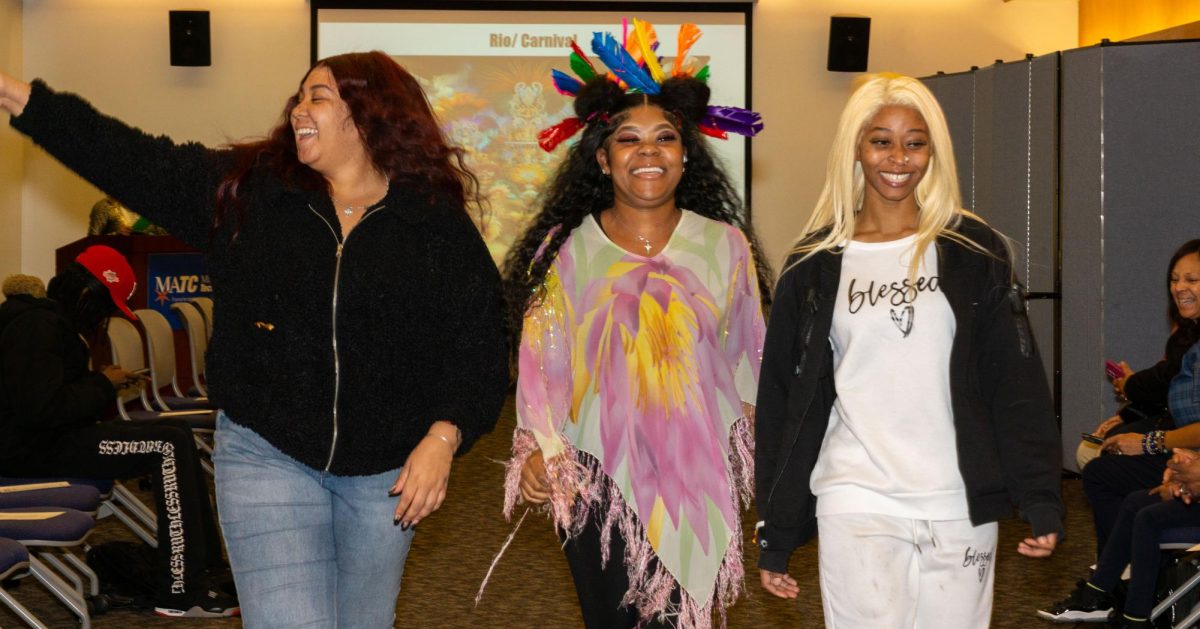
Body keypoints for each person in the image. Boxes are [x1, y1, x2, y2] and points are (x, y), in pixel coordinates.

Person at [0, 51, 509, 627]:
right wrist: (21, 97)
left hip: (384, 473)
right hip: (266, 454)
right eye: (299, 96)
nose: (299, 109)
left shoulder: (431, 220)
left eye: (320, 96)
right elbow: (126, 156)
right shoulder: (249, 194)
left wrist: (443, 438)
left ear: (370, 115)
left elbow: (480, 344)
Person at [754, 73, 1063, 628]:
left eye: (915, 141)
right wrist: (776, 532)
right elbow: (783, 401)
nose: (899, 157)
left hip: (958, 500)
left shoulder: (974, 250)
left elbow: (1015, 382)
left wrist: (1040, 495)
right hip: (857, 497)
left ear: (933, 151)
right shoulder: (814, 264)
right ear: (856, 147)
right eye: (881, 140)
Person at [500, 19, 770, 628]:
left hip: (700, 478)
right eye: (628, 139)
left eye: (665, 138)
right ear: (602, 158)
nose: (648, 151)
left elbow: (749, 358)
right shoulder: (565, 249)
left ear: (684, 155)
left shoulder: (726, 246)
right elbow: (542, 367)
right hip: (597, 480)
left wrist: (756, 460)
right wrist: (542, 453)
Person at [0, 245, 236, 617]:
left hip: (47, 439)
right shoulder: (37, 326)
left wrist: (98, 381)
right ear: (86, 294)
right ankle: (181, 590)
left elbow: (48, 398)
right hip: (31, 450)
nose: (105, 318)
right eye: (105, 307)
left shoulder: (50, 323)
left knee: (174, 432)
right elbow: (41, 409)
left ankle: (207, 566)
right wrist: (104, 385)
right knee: (166, 445)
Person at [1039, 341, 1200, 628]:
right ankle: (1107, 594)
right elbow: (1165, 389)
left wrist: (1184, 471)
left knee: (1145, 513)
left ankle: (1130, 611)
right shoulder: (1188, 339)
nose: (1180, 292)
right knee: (1133, 499)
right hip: (1187, 452)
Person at [1079, 240, 1200, 554]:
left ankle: (1116, 576)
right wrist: (1127, 415)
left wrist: (1150, 441)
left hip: (1186, 444)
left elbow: (1165, 387)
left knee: (1103, 469)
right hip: (1182, 440)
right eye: (1175, 280)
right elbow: (1171, 390)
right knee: (1108, 451)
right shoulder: (1187, 334)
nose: (1180, 288)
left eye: (1191, 280)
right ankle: (1116, 577)